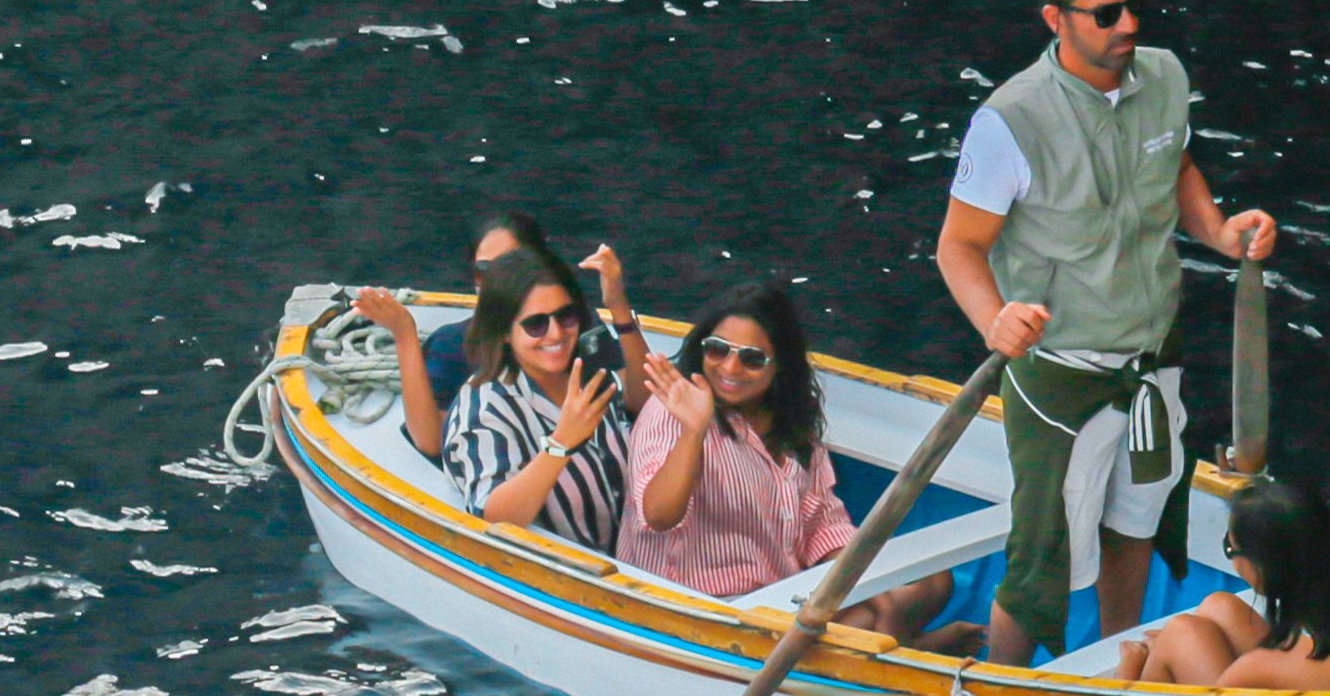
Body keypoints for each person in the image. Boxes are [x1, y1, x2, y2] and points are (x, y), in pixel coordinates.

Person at [933, 0, 1273, 664]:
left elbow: (1175, 162)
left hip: (1154, 357)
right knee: (1041, 555)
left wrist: (1217, 230)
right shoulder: (1008, 121)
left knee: (1136, 522)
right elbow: (957, 246)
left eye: (1134, 5)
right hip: (1061, 371)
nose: (1129, 25)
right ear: (1056, 19)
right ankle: (1002, 685)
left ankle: (1121, 665)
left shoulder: (1166, 77)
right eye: (1106, 13)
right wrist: (996, 318)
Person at [621, 280, 958, 641]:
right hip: (701, 609)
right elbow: (658, 516)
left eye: (751, 358)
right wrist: (694, 430)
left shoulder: (790, 425)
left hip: (781, 596)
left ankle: (891, 647)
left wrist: (875, 588)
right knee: (873, 620)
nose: (730, 368)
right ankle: (904, 653)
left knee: (929, 585)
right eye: (718, 350)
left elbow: (821, 523)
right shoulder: (671, 410)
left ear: (779, 364)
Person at [354, 211, 631, 460]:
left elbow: (633, 401)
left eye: (511, 266)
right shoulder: (452, 344)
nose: (555, 332)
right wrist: (405, 336)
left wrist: (619, 307)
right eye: (484, 270)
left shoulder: (579, 323)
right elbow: (431, 442)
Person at [436, 247, 654, 555]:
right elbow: (493, 515)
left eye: (566, 316)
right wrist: (561, 444)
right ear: (505, 332)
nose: (556, 334)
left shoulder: (586, 367)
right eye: (536, 324)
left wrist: (618, 307)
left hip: (646, 552)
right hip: (579, 575)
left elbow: (647, 404)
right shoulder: (484, 407)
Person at [1114, 477, 1330, 689]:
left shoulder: (1261, 668)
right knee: (1220, 606)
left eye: (1230, 549)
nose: (1231, 558)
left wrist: (1135, 662)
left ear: (1262, 565)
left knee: (1180, 633)